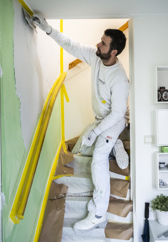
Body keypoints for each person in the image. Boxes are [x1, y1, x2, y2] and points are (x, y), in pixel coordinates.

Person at [33, 14, 130, 232]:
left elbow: (117, 114)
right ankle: (116, 145)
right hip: (101, 119)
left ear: (113, 51)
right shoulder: (96, 57)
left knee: (98, 157)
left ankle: (97, 212)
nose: (98, 44)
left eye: (103, 43)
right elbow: (72, 45)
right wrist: (48, 29)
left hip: (116, 120)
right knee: (80, 148)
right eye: (101, 40)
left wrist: (96, 132)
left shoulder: (120, 78)